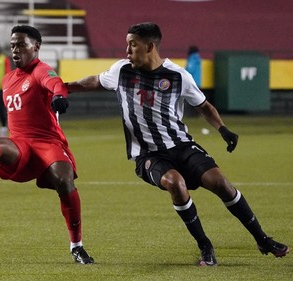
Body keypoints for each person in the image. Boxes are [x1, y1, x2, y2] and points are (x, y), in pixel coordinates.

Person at [66, 22, 289, 266]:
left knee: (221, 183)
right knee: (175, 183)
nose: (127, 50)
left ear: (150, 46)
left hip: (181, 146)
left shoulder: (178, 75)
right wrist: (64, 89)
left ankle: (262, 238)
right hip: (148, 154)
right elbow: (94, 81)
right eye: (127, 44)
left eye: (133, 45)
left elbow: (203, 105)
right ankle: (205, 246)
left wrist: (223, 129)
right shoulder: (122, 70)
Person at [0, 25, 94, 264]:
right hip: (20, 141)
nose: (15, 49)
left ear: (36, 47)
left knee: (64, 181)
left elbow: (55, 83)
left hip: (47, 141)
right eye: (12, 45)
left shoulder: (41, 70)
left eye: (21, 44)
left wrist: (59, 96)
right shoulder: (7, 79)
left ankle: (77, 246)